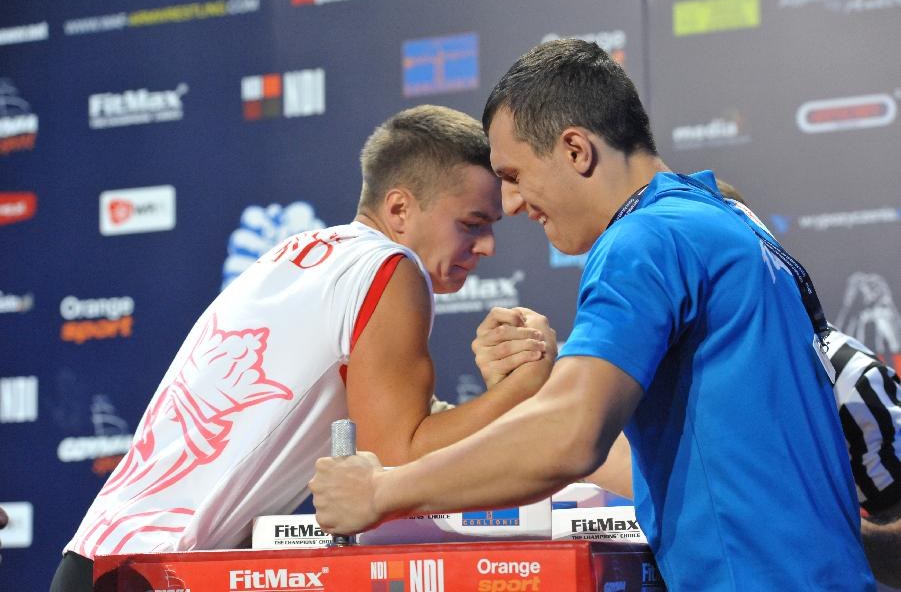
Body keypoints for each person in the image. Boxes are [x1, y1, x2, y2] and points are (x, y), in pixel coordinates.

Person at [310, 40, 875, 590]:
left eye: (512, 176)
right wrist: (539, 393)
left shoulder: (644, 238)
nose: (509, 206)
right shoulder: (725, 220)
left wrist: (382, 491)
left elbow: (570, 437)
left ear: (576, 150)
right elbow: (683, 463)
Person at [50, 105, 554, 592]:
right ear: (399, 209)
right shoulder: (392, 268)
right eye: (471, 223)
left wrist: (493, 400)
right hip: (156, 572)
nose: (487, 246)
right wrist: (527, 389)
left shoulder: (300, 254)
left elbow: (380, 427)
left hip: (99, 558)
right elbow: (397, 461)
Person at [478, 180, 901, 587]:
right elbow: (609, 458)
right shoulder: (648, 378)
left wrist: (815, 526)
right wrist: (522, 388)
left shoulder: (849, 378)